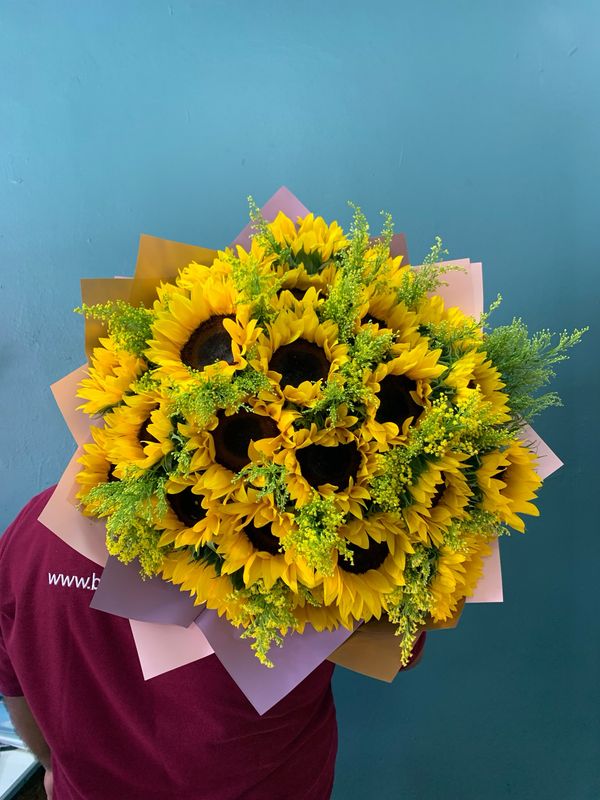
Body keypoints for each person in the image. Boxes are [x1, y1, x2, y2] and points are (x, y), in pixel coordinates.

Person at [0, 487, 425, 800]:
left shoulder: (37, 525)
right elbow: (400, 646)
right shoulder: (309, 549)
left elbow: (13, 682)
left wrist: (53, 765)